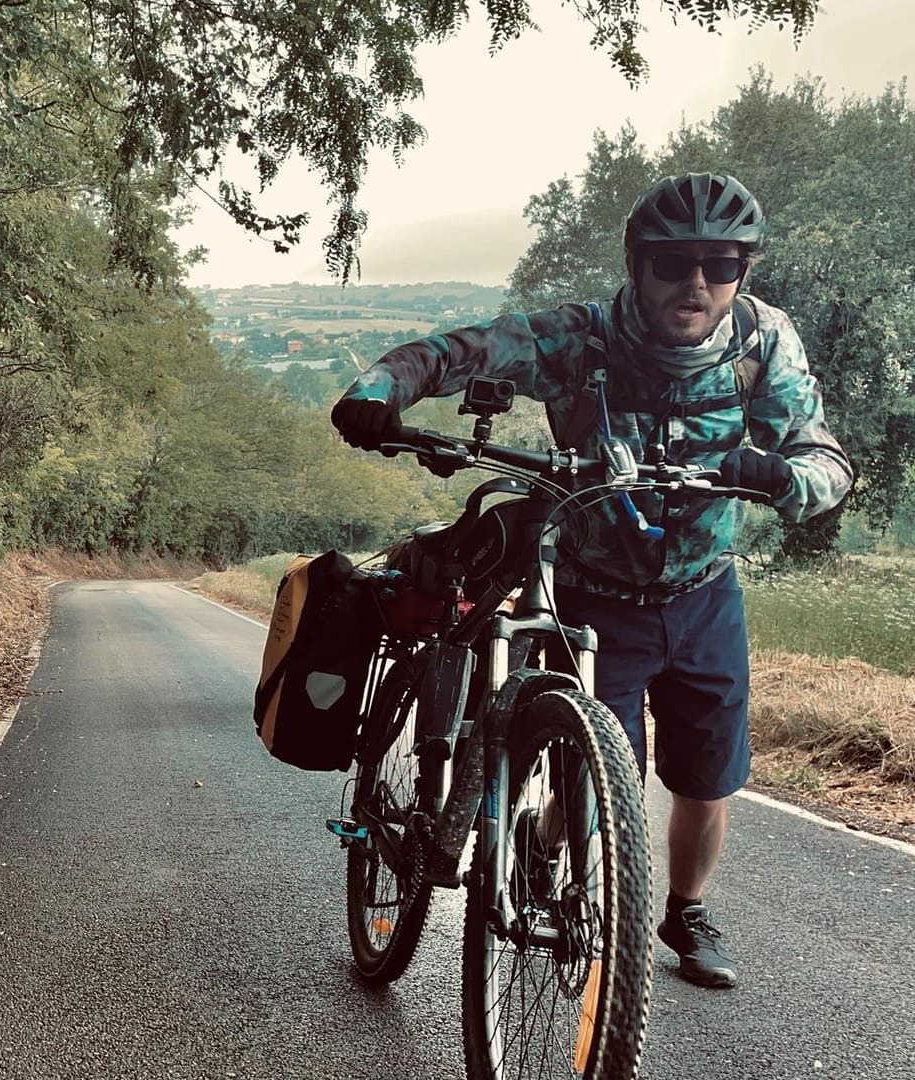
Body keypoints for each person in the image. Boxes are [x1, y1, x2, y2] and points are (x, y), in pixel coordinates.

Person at [329, 173, 854, 989]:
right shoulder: (585, 340)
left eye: (722, 264)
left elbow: (825, 460)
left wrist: (785, 479)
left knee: (706, 781)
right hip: (592, 591)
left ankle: (685, 911)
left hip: (704, 588)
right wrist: (385, 384)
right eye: (676, 262)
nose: (698, 283)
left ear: (742, 272)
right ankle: (542, 845)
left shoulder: (761, 342)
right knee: (589, 781)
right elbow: (468, 350)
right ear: (638, 263)